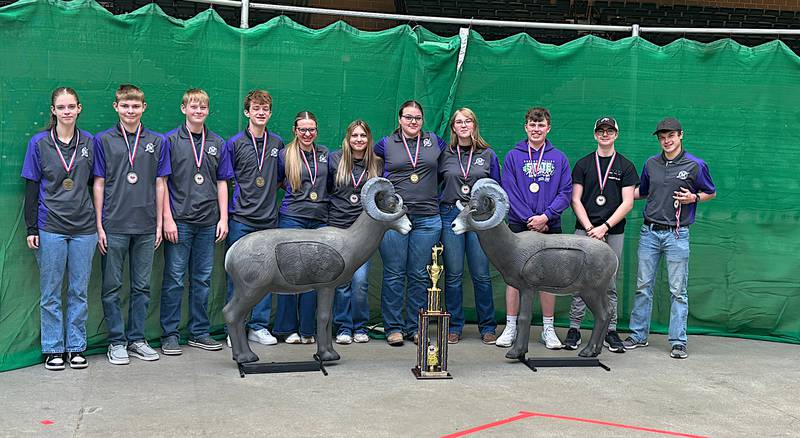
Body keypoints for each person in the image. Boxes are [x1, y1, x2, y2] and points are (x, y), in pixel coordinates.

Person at [623, 118, 716, 359]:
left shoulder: (695, 164)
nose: (667, 141)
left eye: (671, 136)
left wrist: (693, 198)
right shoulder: (651, 164)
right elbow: (641, 192)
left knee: (678, 291)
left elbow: (710, 192)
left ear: (680, 135)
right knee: (643, 286)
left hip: (677, 233)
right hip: (649, 232)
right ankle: (637, 335)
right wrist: (611, 192)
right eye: (662, 137)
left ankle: (678, 341)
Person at [93, 84, 170, 365]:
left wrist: (160, 223)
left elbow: (160, 184)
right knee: (112, 286)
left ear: (144, 108)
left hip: (147, 225)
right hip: (114, 224)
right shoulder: (103, 140)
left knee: (141, 286)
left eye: (135, 106)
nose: (130, 111)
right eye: (125, 106)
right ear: (116, 107)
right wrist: (100, 224)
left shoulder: (157, 141)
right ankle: (116, 341)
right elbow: (99, 183)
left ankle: (137, 338)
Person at [21, 87, 97, 370]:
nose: (66, 111)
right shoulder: (39, 143)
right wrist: (32, 227)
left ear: (79, 109)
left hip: (84, 228)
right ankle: (53, 349)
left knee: (78, 290)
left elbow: (97, 185)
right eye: (61, 107)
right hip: (50, 226)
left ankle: (76, 347)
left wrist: (99, 225)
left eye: (71, 106)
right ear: (53, 111)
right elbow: (31, 187)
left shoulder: (89, 142)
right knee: (51, 291)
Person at [159, 89, 232, 355]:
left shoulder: (217, 142)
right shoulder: (169, 140)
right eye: (193, 107)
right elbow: (162, 183)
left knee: (202, 279)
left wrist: (223, 218)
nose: (198, 111)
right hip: (179, 221)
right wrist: (167, 218)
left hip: (208, 221)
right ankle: (169, 334)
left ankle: (199, 332)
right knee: (175, 279)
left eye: (202, 107)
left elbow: (222, 182)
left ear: (208, 111)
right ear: (183, 109)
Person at [495, 107, 572, 350]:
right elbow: (509, 190)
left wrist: (546, 216)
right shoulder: (513, 157)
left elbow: (566, 192)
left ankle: (548, 329)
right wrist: (530, 218)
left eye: (541, 125)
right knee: (514, 277)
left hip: (550, 225)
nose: (536, 129)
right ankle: (511, 326)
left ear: (548, 128)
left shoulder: (558, 158)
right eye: (532, 124)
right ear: (525, 127)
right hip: (520, 225)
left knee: (549, 277)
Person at [374, 100, 447, 346]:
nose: (412, 121)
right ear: (400, 119)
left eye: (417, 117)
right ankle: (393, 327)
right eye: (408, 117)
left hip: (428, 218)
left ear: (422, 120)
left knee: (419, 275)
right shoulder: (385, 144)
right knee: (394, 273)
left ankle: (416, 327)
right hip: (395, 219)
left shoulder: (435, 141)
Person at [564, 116, 638, 353]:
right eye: (601, 131)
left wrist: (604, 227)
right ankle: (574, 327)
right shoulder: (584, 164)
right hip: (584, 231)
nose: (605, 134)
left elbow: (627, 203)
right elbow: (575, 199)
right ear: (595, 134)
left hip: (612, 232)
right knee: (578, 280)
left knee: (609, 282)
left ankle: (611, 329)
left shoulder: (625, 166)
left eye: (609, 131)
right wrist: (590, 229)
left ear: (616, 134)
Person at [225, 89, 284, 347]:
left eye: (265, 109)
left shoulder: (277, 144)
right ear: (247, 112)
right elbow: (226, 179)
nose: (261, 113)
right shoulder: (234, 143)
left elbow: (281, 178)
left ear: (269, 113)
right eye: (256, 108)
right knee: (238, 275)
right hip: (241, 218)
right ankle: (235, 325)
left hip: (268, 221)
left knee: (266, 276)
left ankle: (258, 326)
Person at [438, 108, 500, 345]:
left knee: (481, 274)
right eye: (459, 122)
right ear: (453, 127)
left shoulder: (488, 154)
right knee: (453, 274)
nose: (464, 125)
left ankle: (487, 326)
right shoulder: (445, 154)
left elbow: (497, 188)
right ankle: (454, 326)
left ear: (474, 125)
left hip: (479, 218)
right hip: (451, 216)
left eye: (468, 121)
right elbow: (435, 184)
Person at [273, 111, 330, 344]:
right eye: (303, 129)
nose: (307, 134)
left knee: (314, 277)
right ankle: (287, 329)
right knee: (290, 275)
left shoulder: (325, 154)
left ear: (316, 131)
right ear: (295, 131)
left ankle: (308, 329)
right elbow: (277, 181)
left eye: (311, 129)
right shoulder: (285, 154)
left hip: (319, 220)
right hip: (292, 219)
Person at [328, 120, 382, 345]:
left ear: (369, 139)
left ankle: (360, 326)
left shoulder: (378, 164)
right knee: (341, 282)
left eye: (363, 136)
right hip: (339, 230)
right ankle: (343, 327)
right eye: (354, 136)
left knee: (359, 282)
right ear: (348, 138)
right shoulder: (334, 160)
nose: (358, 140)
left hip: (363, 233)